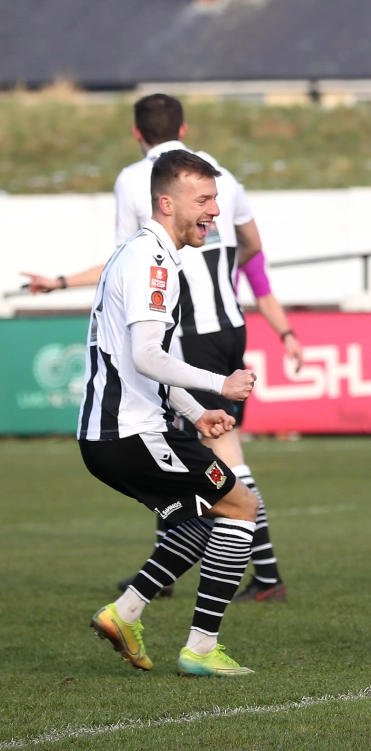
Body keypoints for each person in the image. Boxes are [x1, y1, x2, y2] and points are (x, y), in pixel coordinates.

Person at [23, 94, 289, 601]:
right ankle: (196, 583)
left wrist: (58, 282)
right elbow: (252, 246)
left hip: (188, 337)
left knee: (214, 469)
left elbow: (122, 263)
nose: (209, 210)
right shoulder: (222, 175)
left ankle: (237, 574)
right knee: (211, 464)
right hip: (230, 323)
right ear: (184, 129)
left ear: (136, 133)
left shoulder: (136, 185)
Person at [82, 150, 258, 676]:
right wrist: (218, 385)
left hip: (114, 434)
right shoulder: (154, 262)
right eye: (202, 200)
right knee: (240, 508)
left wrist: (197, 411)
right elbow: (147, 357)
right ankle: (200, 650)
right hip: (132, 433)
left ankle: (125, 613)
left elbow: (144, 366)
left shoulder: (139, 255)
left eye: (216, 199)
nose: (214, 211)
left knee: (198, 526)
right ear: (166, 203)